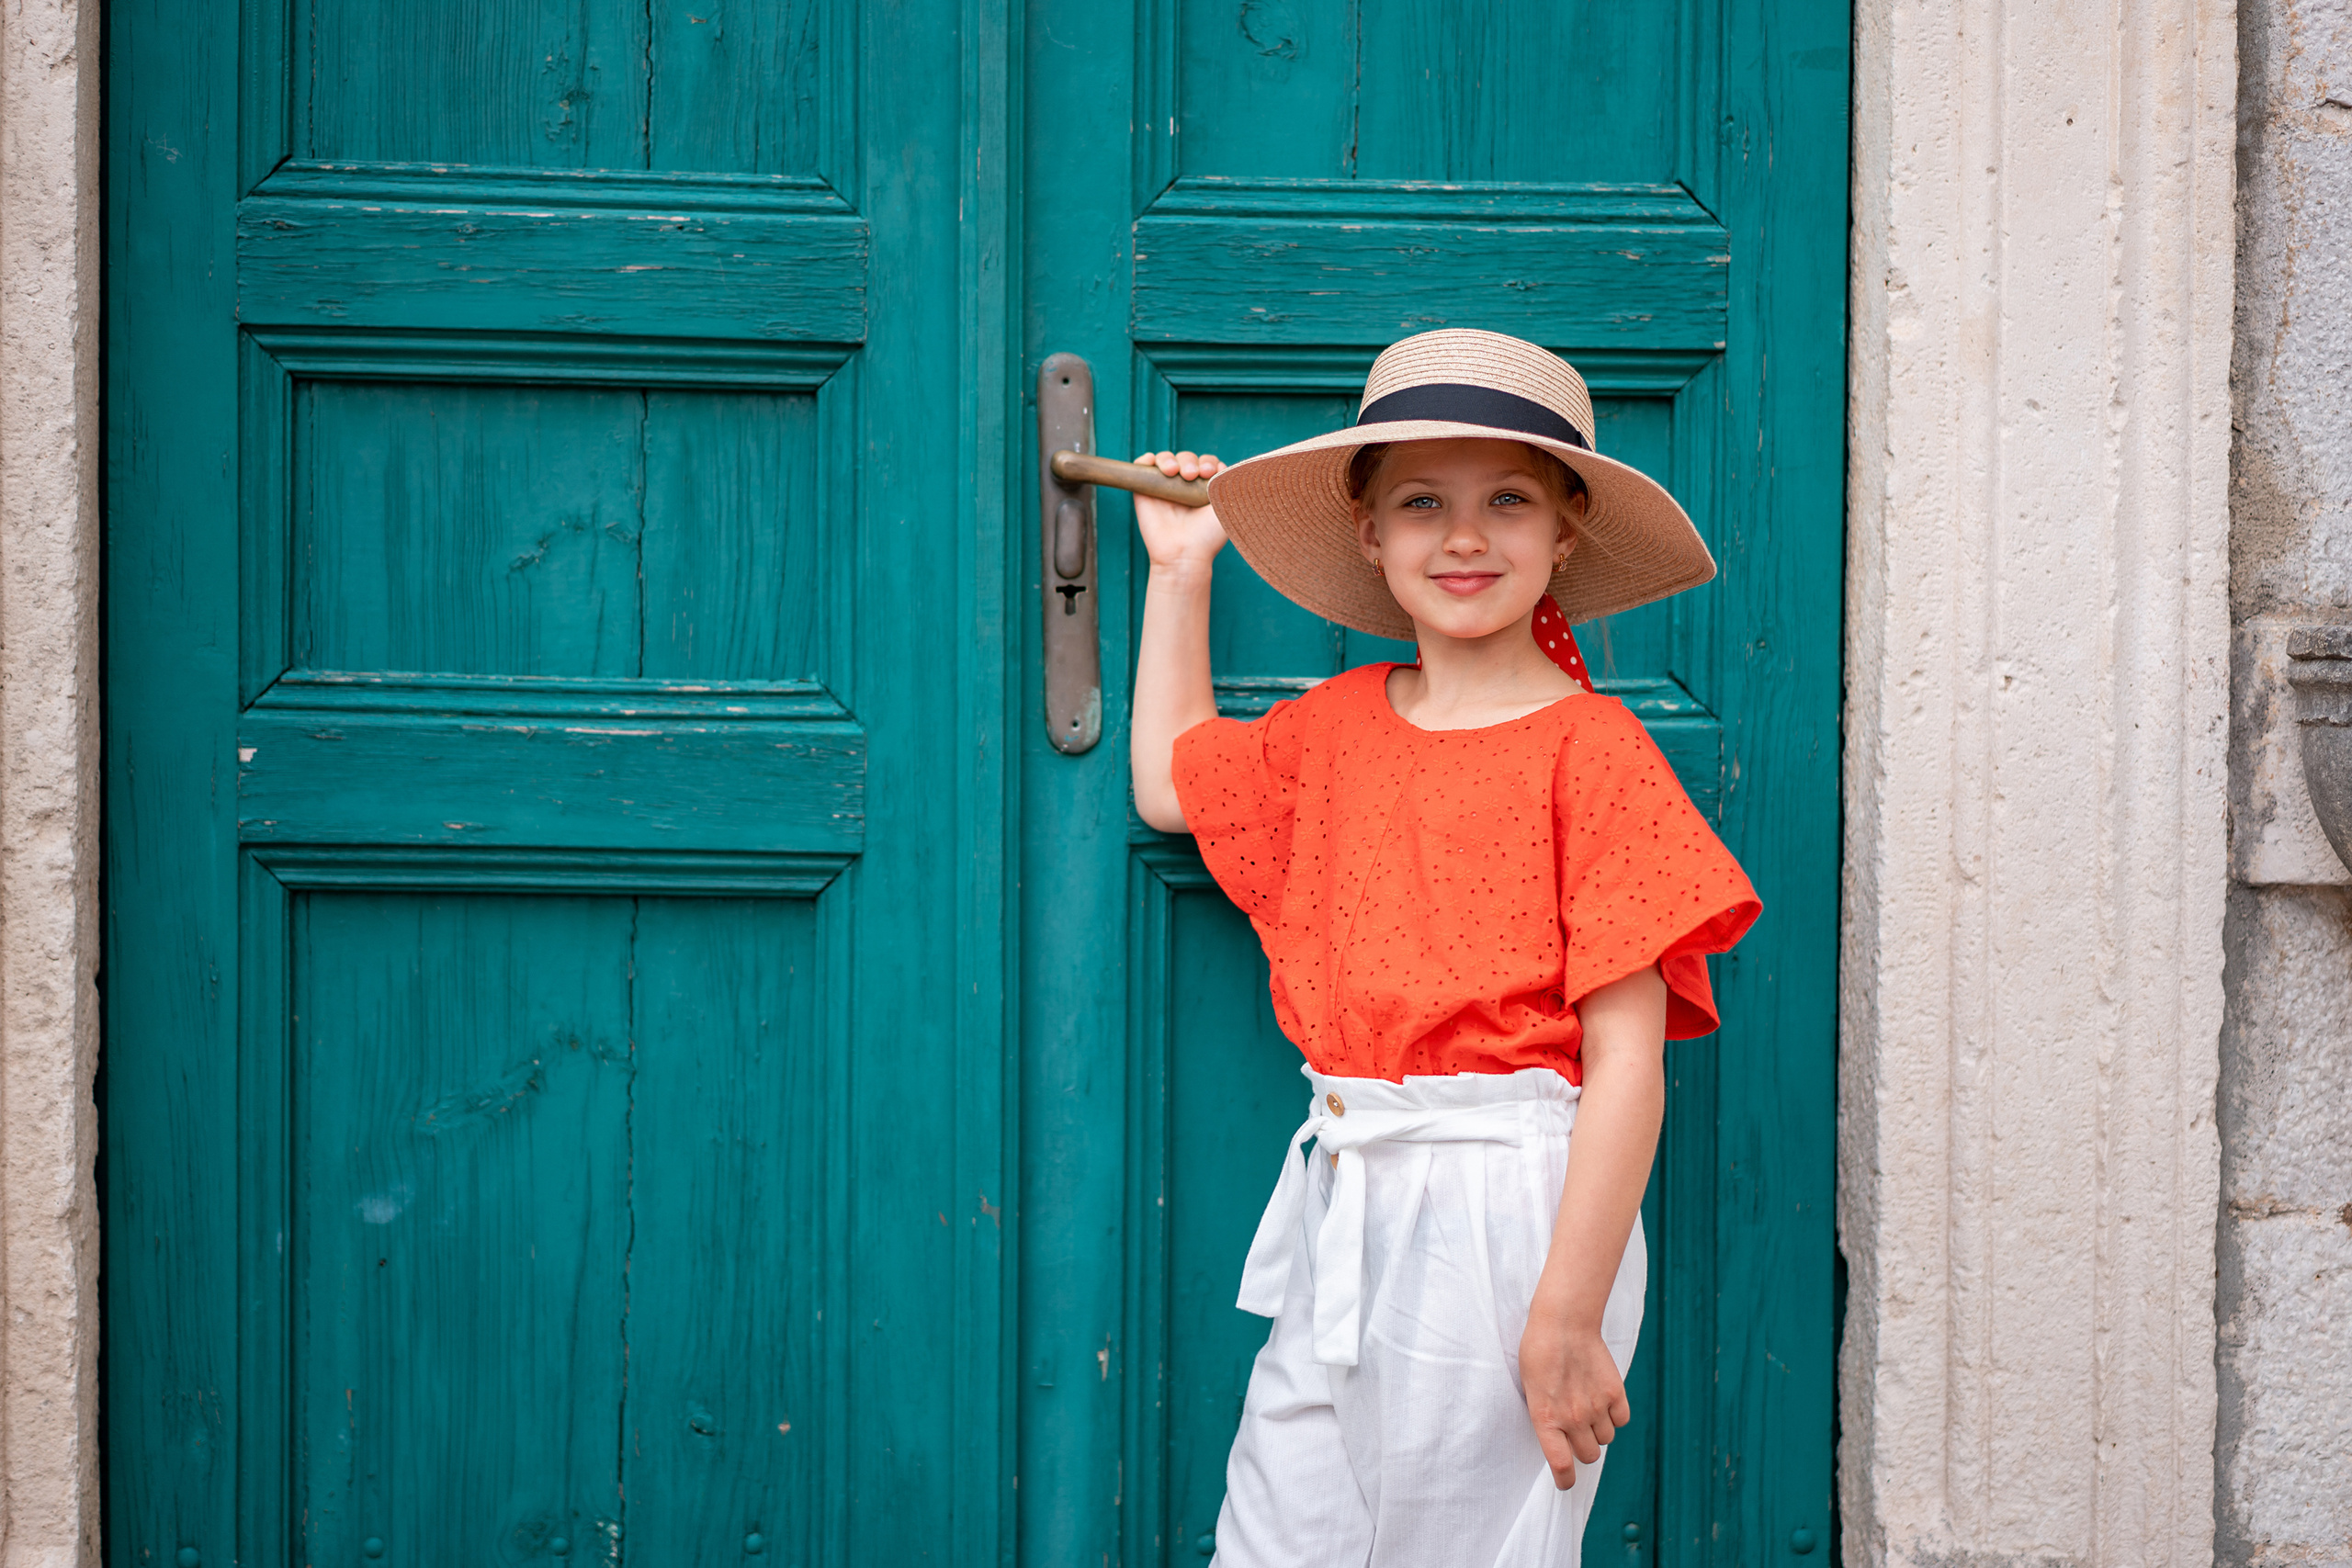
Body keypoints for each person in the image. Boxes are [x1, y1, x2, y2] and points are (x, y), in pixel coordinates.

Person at [1125, 329, 1761, 1568]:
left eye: (1507, 501)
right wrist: (1182, 569)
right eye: (1423, 503)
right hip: (1350, 1187)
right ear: (1370, 534)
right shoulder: (1335, 725)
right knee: (1277, 1541)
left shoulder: (1593, 751)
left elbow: (1629, 1062)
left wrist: (1566, 1311)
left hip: (1509, 1209)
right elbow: (1169, 786)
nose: (1465, 537)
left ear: (1566, 534)